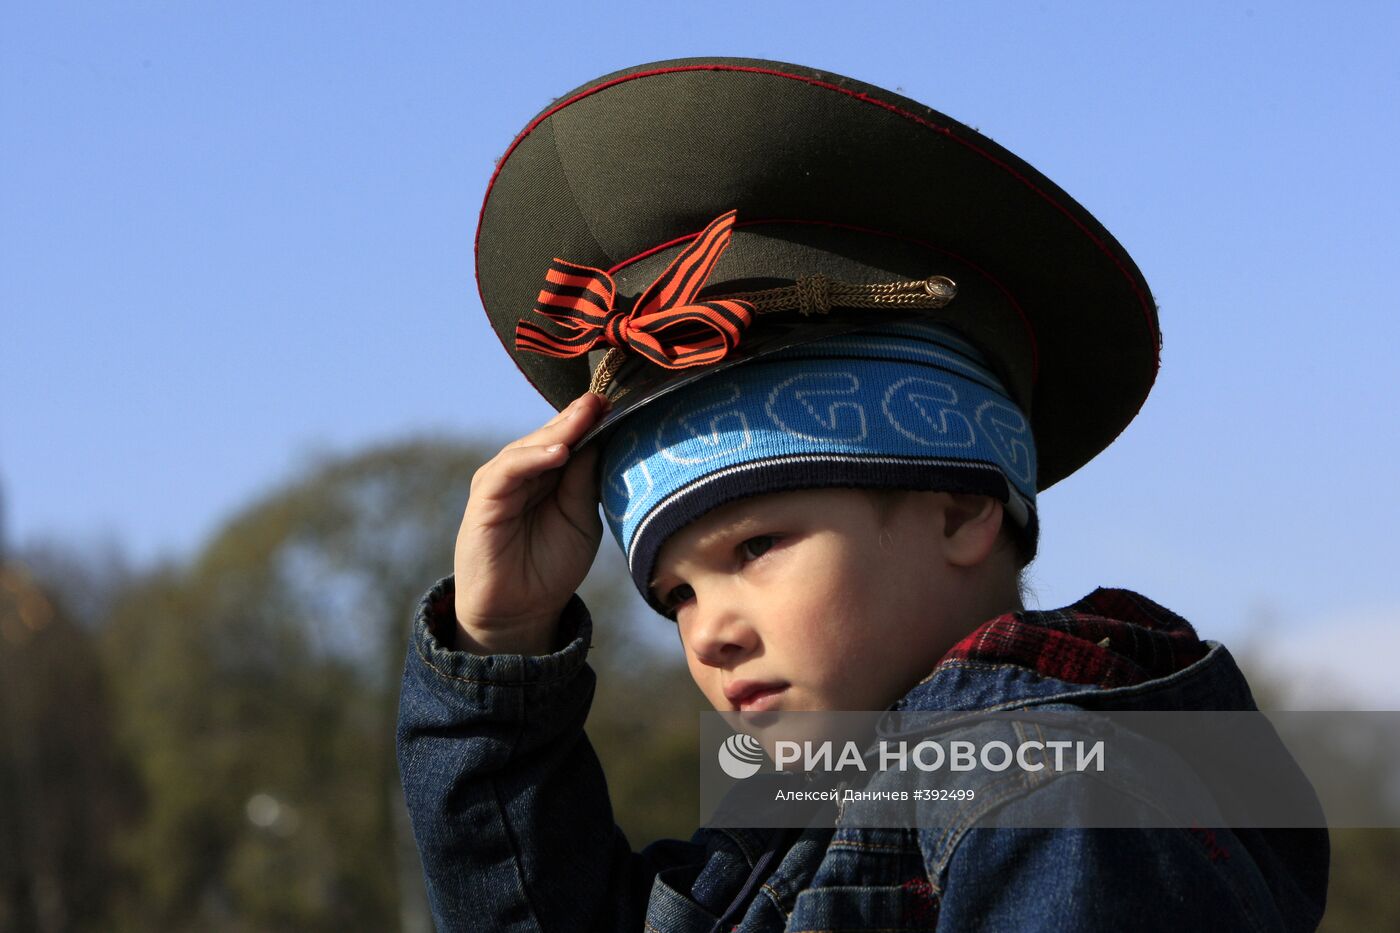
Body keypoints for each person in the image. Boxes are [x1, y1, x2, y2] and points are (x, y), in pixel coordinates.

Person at [396, 58, 1328, 931]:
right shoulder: (799, 828)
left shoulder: (1051, 798)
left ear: (959, 506)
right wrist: (503, 647)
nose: (707, 631)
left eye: (755, 547)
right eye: (675, 594)